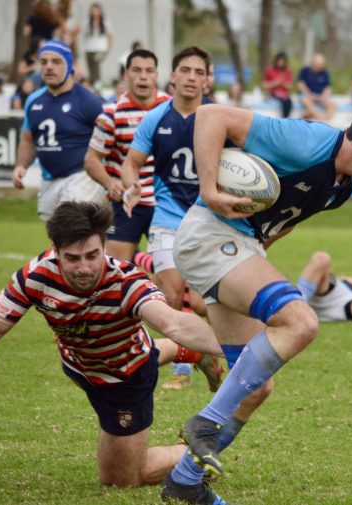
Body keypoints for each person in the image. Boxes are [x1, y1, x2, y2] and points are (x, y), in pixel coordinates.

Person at [160, 98, 352, 503]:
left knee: (255, 388)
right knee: (301, 322)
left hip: (237, 248)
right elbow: (212, 116)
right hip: (211, 235)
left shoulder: (342, 188)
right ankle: (205, 423)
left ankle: (184, 481)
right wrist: (209, 191)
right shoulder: (306, 141)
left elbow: (287, 219)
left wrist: (251, 263)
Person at [0, 201, 224, 488]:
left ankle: (195, 451)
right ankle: (189, 352)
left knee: (121, 479)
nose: (84, 268)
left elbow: (172, 323)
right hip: (80, 366)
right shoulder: (36, 276)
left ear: (104, 246)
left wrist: (233, 347)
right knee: (137, 350)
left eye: (92, 255)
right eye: (73, 258)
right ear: (55, 250)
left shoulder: (126, 282)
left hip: (126, 376)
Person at [120, 47, 225, 392]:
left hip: (208, 220)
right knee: (171, 294)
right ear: (173, 76)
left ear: (207, 79)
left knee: (203, 304)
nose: (192, 77)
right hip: (166, 219)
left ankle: (212, 357)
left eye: (199, 72)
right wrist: (132, 184)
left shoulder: (220, 117)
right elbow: (131, 162)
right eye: (185, 70)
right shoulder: (156, 118)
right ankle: (183, 366)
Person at [84, 49, 170, 262]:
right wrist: (109, 183)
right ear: (126, 74)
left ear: (156, 75)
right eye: (137, 70)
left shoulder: (171, 109)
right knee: (116, 268)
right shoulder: (112, 113)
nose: (143, 76)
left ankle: (142, 263)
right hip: (126, 202)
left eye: (149, 71)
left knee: (172, 274)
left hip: (166, 203)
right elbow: (91, 159)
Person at [12, 40, 106, 221]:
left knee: (71, 225)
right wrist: (21, 166)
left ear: (69, 65)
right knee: (60, 234)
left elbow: (112, 136)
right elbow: (28, 139)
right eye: (44, 62)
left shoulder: (89, 102)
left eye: (56, 62)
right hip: (49, 179)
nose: (48, 67)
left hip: (83, 177)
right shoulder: (33, 101)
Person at [297, 53, 337, 121]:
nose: (318, 66)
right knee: (306, 101)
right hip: (308, 95)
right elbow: (300, 84)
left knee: (333, 105)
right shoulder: (305, 71)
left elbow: (328, 88)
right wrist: (309, 94)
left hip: (320, 96)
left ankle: (327, 120)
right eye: (317, 64)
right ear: (313, 63)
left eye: (320, 64)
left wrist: (323, 96)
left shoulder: (325, 72)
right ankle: (320, 119)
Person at [84, 2, 114, 88]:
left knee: (96, 60)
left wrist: (109, 49)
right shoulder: (88, 23)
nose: (94, 13)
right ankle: (93, 82)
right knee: (91, 66)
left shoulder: (105, 22)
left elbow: (110, 37)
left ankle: (98, 82)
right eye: (93, 11)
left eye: (96, 10)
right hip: (89, 48)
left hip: (101, 48)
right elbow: (85, 36)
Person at [261, 51, 293, 117]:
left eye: (282, 61)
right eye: (280, 60)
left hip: (285, 96)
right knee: (283, 103)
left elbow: (290, 86)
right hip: (272, 95)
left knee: (288, 103)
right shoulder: (270, 70)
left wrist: (282, 83)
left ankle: (284, 119)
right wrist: (275, 83)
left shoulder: (287, 71)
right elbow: (264, 84)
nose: (281, 62)